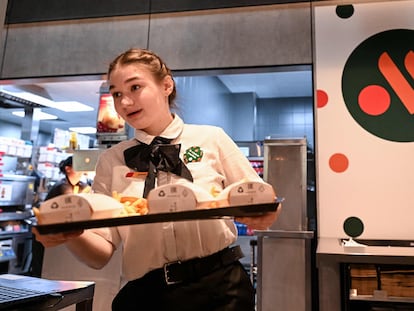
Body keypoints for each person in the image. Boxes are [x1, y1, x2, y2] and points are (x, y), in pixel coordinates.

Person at [33, 48, 281, 311]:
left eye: (135, 87)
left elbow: (261, 203)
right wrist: (71, 233)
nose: (125, 102)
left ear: (166, 85)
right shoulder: (111, 160)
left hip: (220, 289)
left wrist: (262, 214)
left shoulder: (212, 139)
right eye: (116, 93)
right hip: (146, 296)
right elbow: (100, 254)